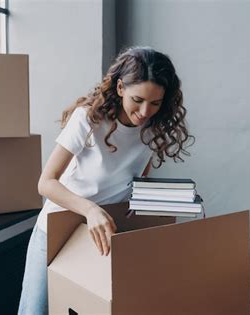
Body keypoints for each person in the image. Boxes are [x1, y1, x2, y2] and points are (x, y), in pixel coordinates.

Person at [17, 46, 194, 315]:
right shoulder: (87, 120)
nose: (145, 111)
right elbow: (46, 183)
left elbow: (135, 183)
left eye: (155, 103)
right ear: (121, 87)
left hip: (106, 233)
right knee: (35, 311)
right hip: (59, 226)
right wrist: (90, 209)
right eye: (138, 99)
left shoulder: (153, 129)